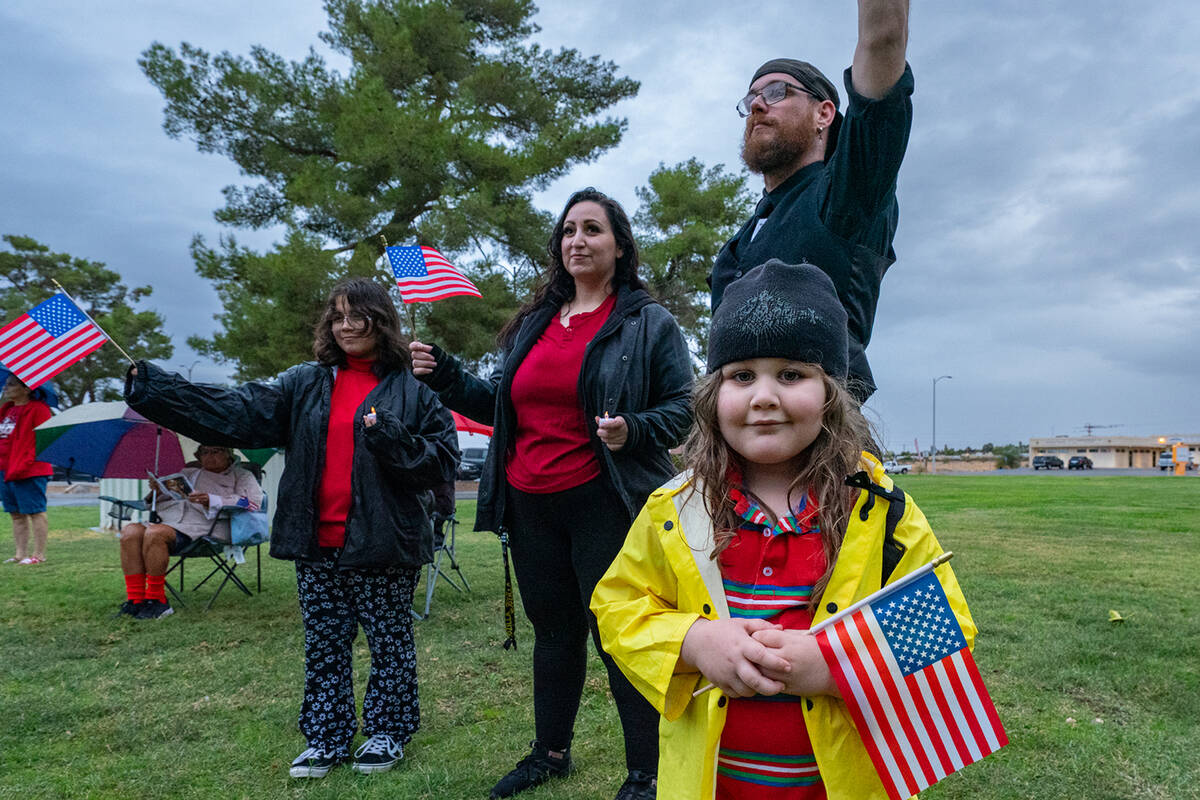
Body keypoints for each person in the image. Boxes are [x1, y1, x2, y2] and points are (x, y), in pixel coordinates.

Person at [593, 260, 977, 799]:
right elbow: (618, 607)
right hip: (711, 785)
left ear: (831, 393)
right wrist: (695, 642)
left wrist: (835, 666)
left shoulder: (878, 510)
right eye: (741, 376)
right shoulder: (676, 509)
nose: (764, 396)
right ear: (713, 395)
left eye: (791, 374)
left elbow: (947, 628)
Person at [410, 188, 693, 800]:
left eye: (592, 229)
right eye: (568, 230)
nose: (577, 241)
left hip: (605, 501)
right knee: (554, 633)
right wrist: (448, 374)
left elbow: (684, 408)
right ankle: (550, 754)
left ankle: (646, 772)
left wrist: (634, 428)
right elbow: (500, 406)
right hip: (529, 503)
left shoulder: (648, 321)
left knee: (619, 635)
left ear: (620, 246)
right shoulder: (533, 322)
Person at [125, 277, 458, 779]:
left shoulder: (414, 389)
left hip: (385, 540)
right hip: (315, 541)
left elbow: (442, 462)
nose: (346, 326)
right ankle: (326, 737)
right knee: (324, 644)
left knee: (390, 642)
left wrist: (392, 438)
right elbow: (236, 411)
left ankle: (387, 732)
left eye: (358, 316)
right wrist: (159, 389)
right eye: (337, 316)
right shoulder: (304, 382)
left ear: (382, 321)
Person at [710, 0, 913, 401]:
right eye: (751, 98)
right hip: (738, 428)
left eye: (777, 92)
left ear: (824, 114)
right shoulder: (746, 236)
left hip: (819, 428)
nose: (757, 104)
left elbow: (882, 41)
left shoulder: (847, 194)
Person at [115, 444, 263, 620]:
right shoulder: (188, 473)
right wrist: (157, 491)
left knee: (155, 533)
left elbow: (253, 503)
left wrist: (213, 500)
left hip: (206, 529)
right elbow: (155, 501)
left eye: (215, 451)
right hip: (170, 521)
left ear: (228, 454)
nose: (210, 456)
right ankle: (135, 600)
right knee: (130, 532)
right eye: (205, 452)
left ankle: (157, 600)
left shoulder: (241, 475)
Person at [0, 376, 54, 566]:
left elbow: (43, 440)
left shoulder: (39, 409)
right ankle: (19, 554)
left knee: (35, 511)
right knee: (15, 514)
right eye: (5, 384)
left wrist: (26, 462)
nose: (5, 387)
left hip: (29, 469)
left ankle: (38, 555)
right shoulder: (6, 410)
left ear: (27, 388)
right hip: (5, 469)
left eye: (11, 384)